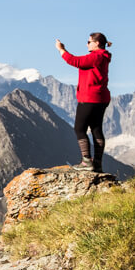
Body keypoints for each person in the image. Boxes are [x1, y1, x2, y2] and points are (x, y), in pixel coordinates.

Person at [55, 32, 112, 172]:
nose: (87, 44)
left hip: (89, 98)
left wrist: (61, 49)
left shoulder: (96, 56)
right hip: (101, 98)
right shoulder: (103, 57)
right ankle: (97, 164)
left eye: (89, 41)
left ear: (97, 43)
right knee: (96, 129)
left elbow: (75, 61)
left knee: (79, 129)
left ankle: (87, 161)